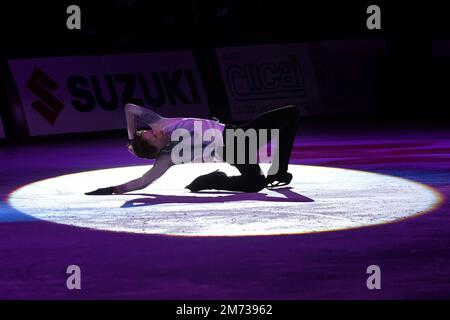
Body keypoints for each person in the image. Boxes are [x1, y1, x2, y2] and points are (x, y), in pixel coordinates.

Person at [85, 103, 300, 195]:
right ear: (156, 151)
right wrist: (113, 189)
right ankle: (214, 180)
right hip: (232, 148)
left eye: (149, 132)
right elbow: (143, 181)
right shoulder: (166, 159)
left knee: (290, 114)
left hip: (235, 134)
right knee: (256, 185)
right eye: (153, 138)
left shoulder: (160, 122)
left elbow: (130, 108)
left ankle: (278, 171)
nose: (156, 132)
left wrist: (132, 138)